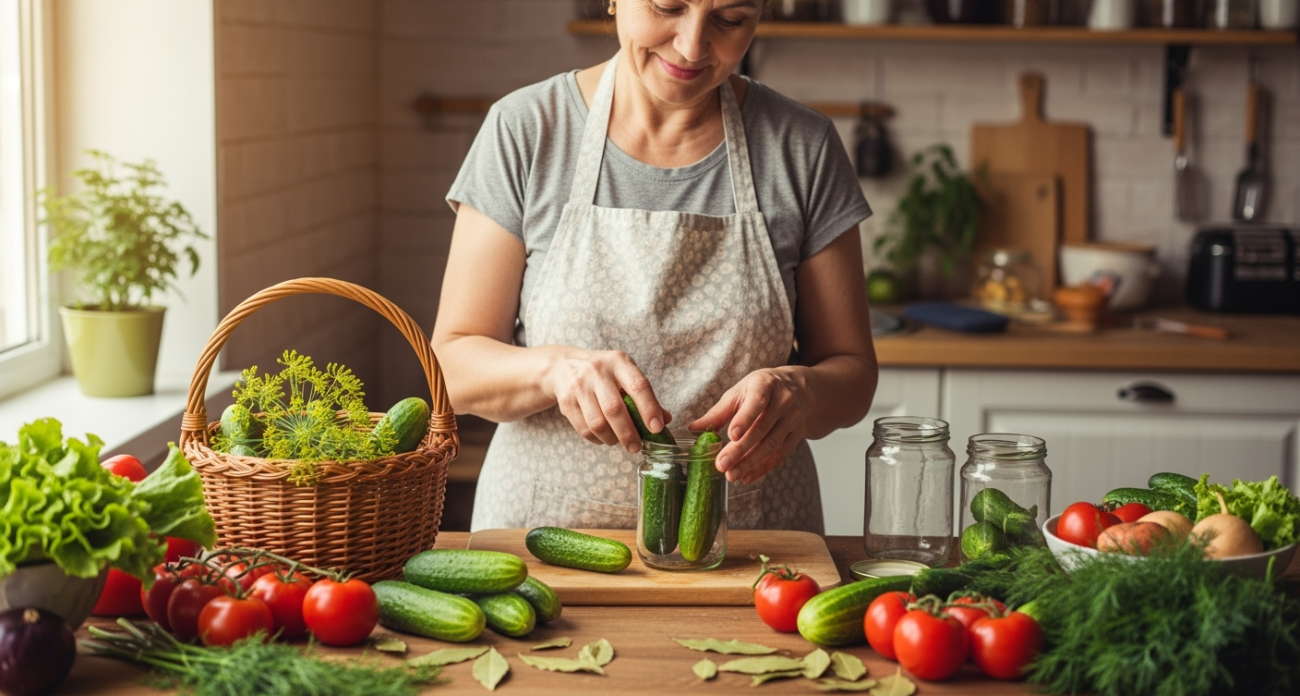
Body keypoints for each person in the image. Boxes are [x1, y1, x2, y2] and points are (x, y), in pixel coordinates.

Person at [432, 0, 878, 533]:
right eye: (668, 6)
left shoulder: (802, 146)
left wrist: (801, 393)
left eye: (730, 20)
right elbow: (453, 366)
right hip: (544, 540)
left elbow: (852, 374)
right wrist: (554, 370)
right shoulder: (525, 130)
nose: (692, 46)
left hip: (751, 546)